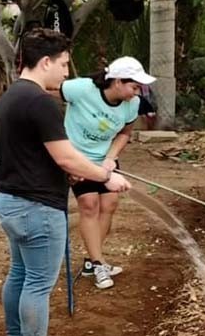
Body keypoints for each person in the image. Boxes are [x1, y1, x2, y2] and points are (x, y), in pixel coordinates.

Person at [0, 28, 132, 336]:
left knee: (19, 273)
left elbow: (33, 153)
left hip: (9, 202)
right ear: (45, 62)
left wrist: (69, 171)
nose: (66, 72)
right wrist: (106, 176)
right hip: (36, 209)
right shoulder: (41, 102)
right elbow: (67, 157)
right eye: (64, 64)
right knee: (38, 284)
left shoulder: (12, 96)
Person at [61, 56, 156, 289]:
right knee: (89, 204)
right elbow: (45, 91)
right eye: (134, 86)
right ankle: (98, 263)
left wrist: (110, 158)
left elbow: (125, 133)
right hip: (77, 159)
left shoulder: (132, 104)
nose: (136, 92)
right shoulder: (82, 89)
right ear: (117, 82)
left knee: (110, 205)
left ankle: (93, 261)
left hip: (105, 159)